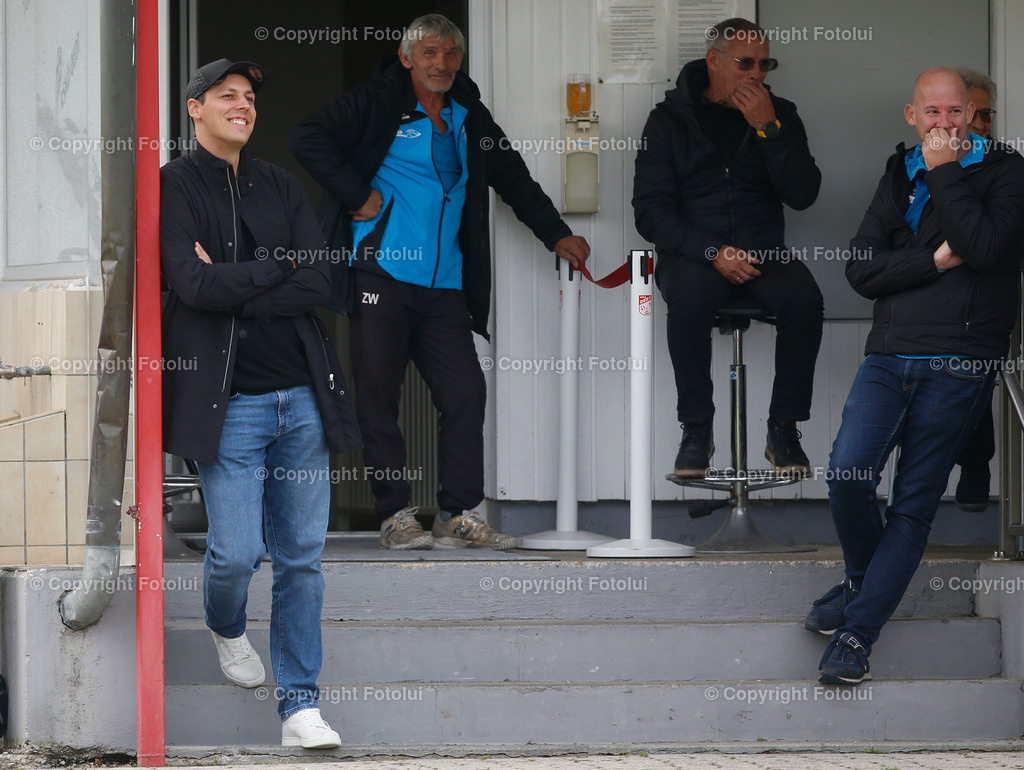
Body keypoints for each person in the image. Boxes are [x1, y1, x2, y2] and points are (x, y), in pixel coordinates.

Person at [289, 14, 590, 550]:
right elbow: (306, 136)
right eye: (429, 54)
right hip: (381, 270)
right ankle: (393, 514)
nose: (442, 64)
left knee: (466, 392)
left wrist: (557, 235)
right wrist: (357, 194)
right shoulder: (379, 101)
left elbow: (512, 176)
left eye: (451, 54)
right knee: (378, 395)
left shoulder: (468, 114)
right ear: (407, 58)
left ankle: (456, 515)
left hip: (445, 283)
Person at [161, 59, 361, 746]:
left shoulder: (279, 183)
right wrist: (281, 267)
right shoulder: (173, 186)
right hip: (230, 405)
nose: (242, 106)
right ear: (195, 108)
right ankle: (223, 624)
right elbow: (192, 287)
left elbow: (322, 281)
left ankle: (300, 706)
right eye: (227, 96)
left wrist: (246, 278)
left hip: (301, 399)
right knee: (237, 554)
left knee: (302, 558)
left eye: (249, 97)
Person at [806, 68, 1024, 685]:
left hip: (959, 359)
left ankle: (857, 633)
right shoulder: (897, 172)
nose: (945, 125)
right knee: (847, 476)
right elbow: (859, 270)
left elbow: (983, 247)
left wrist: (945, 173)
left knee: (912, 507)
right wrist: (932, 259)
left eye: (956, 113)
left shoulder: (1008, 172)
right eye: (932, 114)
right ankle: (861, 581)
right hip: (889, 354)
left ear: (974, 113)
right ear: (912, 115)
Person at [632, 17, 823, 479]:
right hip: (696, 254)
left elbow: (803, 193)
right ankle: (697, 430)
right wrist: (713, 251)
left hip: (763, 251)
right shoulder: (668, 120)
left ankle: (783, 428)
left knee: (805, 300)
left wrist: (768, 129)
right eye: (745, 63)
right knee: (692, 300)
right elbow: (650, 212)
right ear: (713, 61)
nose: (757, 74)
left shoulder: (781, 114)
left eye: (765, 63)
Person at [952, 67, 999, 511]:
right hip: (925, 294)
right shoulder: (911, 166)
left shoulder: (1004, 166)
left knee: (975, 359)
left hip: (986, 293)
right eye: (975, 114)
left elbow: (989, 244)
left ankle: (975, 462)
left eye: (988, 116)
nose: (983, 124)